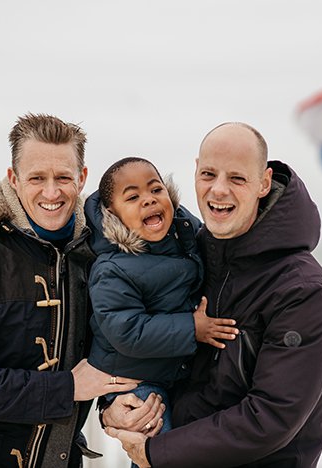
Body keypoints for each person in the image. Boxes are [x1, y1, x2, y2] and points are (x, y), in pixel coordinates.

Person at [104, 122, 322, 468]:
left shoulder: (303, 290)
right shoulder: (188, 258)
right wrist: (114, 407)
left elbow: (271, 416)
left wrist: (158, 454)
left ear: (263, 183)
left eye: (236, 178)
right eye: (208, 174)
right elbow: (141, 350)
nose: (218, 190)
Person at [0, 113, 139, 468]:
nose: (51, 192)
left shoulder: (97, 262)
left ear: (82, 178)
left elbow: (107, 351)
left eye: (63, 177)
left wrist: (112, 406)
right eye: (37, 178)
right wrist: (67, 389)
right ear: (14, 180)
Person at [84, 157, 238, 436]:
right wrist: (193, 328)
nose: (149, 200)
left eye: (156, 190)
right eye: (132, 197)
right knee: (157, 440)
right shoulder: (112, 268)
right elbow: (128, 332)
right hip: (134, 379)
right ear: (112, 213)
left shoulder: (186, 233)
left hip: (176, 371)